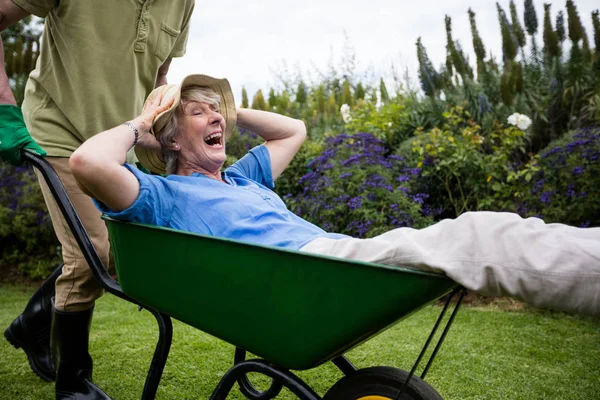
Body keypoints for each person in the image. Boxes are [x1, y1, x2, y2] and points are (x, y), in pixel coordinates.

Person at [69, 74, 600, 319]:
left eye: (218, 112)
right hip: (299, 274)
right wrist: (141, 123)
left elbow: (293, 129)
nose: (215, 120)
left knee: (481, 234)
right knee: (481, 234)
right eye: (197, 113)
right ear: (169, 138)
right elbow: (88, 163)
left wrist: (226, 110)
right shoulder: (162, 193)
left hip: (327, 266)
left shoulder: (245, 177)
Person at [0, 0, 195, 398]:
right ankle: (72, 384)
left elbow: (158, 74)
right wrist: (3, 110)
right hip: (57, 131)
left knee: (115, 247)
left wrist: (155, 132)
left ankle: (35, 321)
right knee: (94, 249)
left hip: (115, 144)